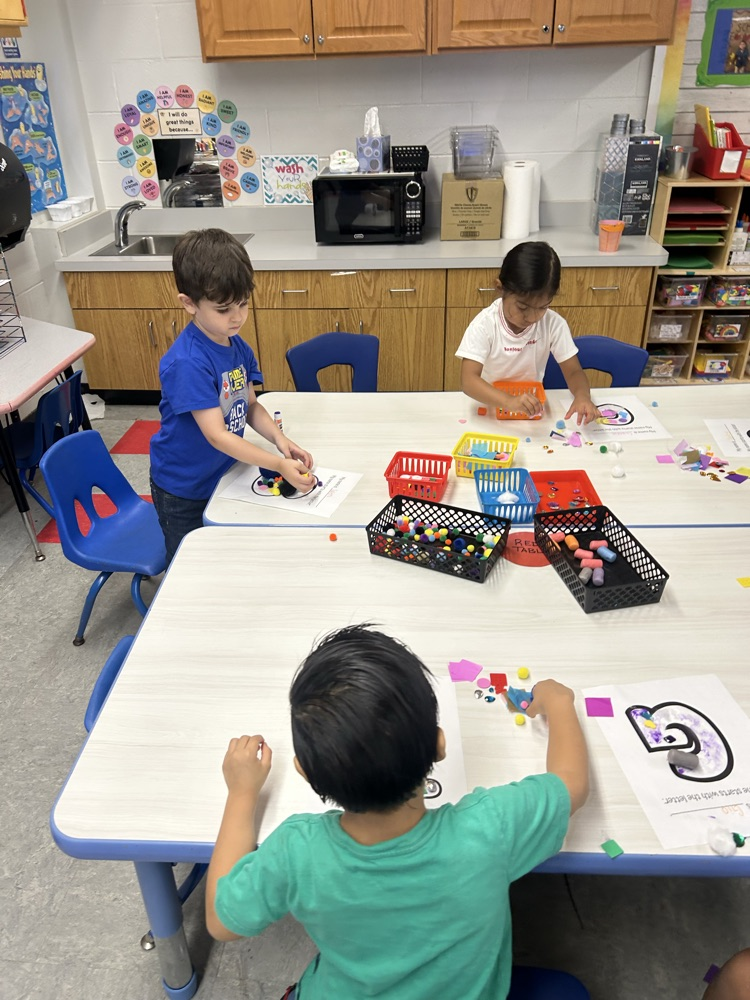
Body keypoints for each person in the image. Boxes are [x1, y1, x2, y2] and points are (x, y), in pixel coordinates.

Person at [205, 625, 590, 1000]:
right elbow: (572, 784)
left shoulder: (296, 850)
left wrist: (241, 794)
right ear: (440, 745)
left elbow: (221, 924)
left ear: (304, 772)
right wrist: (558, 702)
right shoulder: (491, 826)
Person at [149, 229, 314, 564]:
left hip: (224, 474)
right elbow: (217, 435)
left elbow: (251, 405)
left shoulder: (236, 345)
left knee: (225, 555)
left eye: (243, 304)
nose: (237, 317)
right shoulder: (188, 363)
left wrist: (281, 440)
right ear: (189, 304)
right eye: (224, 309)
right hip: (184, 488)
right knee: (189, 565)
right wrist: (278, 464)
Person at [456, 241, 598, 425]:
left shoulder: (553, 324)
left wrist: (583, 397)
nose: (532, 317)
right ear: (501, 289)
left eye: (543, 307)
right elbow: (468, 381)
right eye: (523, 307)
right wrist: (508, 401)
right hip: (490, 409)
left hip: (531, 412)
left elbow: (573, 372)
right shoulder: (485, 325)